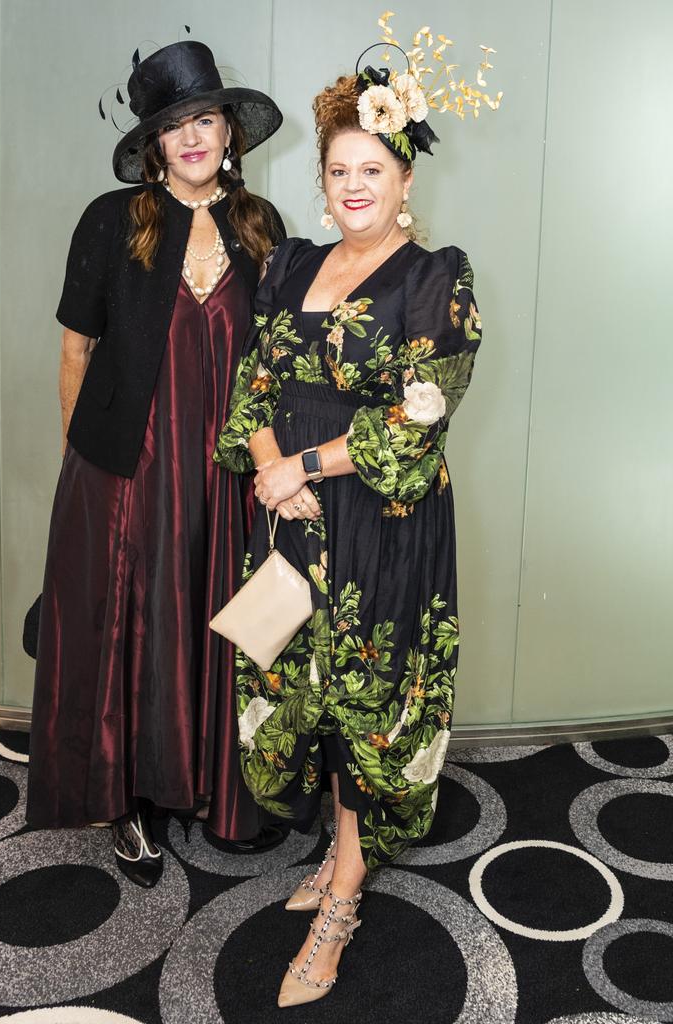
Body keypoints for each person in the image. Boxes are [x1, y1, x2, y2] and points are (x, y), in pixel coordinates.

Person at [214, 28, 494, 1005]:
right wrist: (267, 469)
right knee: (284, 683)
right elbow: (250, 386)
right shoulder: (289, 265)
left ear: (404, 176)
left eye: (371, 167)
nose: (352, 184)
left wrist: (301, 462)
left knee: (361, 705)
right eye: (338, 169)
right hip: (287, 526)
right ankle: (333, 859)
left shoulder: (434, 278)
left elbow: (414, 422)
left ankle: (342, 892)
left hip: (381, 530)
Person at [26, 39, 286, 887]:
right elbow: (75, 350)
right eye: (174, 126)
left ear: (228, 132)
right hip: (132, 463)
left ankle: (218, 786)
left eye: (205, 118)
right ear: (154, 145)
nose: (193, 137)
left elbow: (280, 361)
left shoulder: (260, 226)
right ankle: (127, 802)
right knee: (133, 621)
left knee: (218, 609)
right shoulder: (112, 219)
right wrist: (86, 462)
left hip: (227, 468)